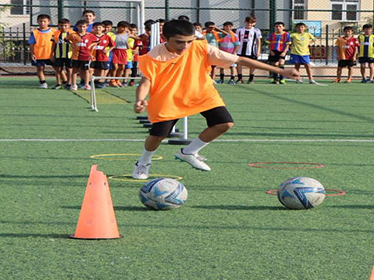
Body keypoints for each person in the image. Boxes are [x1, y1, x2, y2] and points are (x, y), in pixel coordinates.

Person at [132, 20, 300, 177]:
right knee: (158, 135)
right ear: (165, 38)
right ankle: (143, 163)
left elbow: (240, 59)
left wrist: (280, 71)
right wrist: (140, 99)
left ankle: (189, 152)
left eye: (189, 41)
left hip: (202, 94)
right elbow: (146, 81)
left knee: (224, 123)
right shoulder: (154, 56)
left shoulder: (201, 48)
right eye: (179, 42)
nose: (185, 46)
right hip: (169, 99)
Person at [50, 18, 79, 90]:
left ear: (69, 25)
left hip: (69, 54)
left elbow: (76, 44)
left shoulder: (73, 33)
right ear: (58, 26)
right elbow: (53, 44)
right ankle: (58, 83)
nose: (63, 27)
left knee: (69, 69)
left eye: (65, 25)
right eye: (61, 25)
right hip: (58, 54)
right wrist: (51, 53)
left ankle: (69, 83)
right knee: (58, 69)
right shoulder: (56, 33)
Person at [28, 14, 55, 89]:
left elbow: (56, 43)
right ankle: (43, 83)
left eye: (44, 21)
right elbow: (31, 44)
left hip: (50, 54)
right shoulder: (34, 32)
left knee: (58, 68)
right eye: (40, 21)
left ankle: (65, 82)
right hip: (39, 54)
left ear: (48, 22)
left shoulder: (54, 31)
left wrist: (54, 53)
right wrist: (32, 53)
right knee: (40, 68)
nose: (42, 23)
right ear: (37, 22)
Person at [235, 16, 263, 83]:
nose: (249, 24)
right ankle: (240, 78)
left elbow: (258, 41)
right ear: (245, 22)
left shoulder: (256, 30)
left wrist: (258, 51)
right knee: (239, 63)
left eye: (251, 22)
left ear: (254, 23)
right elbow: (236, 40)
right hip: (240, 50)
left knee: (252, 64)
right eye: (248, 22)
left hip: (251, 51)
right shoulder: (239, 30)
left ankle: (251, 78)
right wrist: (235, 50)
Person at [109, 21, 135, 88]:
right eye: (122, 27)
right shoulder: (114, 34)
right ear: (118, 27)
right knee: (115, 67)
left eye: (125, 28)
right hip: (115, 51)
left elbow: (138, 38)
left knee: (122, 67)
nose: (124, 29)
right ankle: (112, 80)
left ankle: (117, 80)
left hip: (123, 51)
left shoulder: (127, 35)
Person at [91, 22, 113, 89]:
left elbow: (113, 45)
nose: (98, 29)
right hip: (93, 56)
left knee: (102, 69)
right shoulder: (90, 36)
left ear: (103, 28)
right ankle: (95, 81)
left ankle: (101, 82)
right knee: (94, 69)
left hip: (102, 56)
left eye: (100, 27)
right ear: (93, 28)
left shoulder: (107, 37)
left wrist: (108, 50)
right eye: (96, 27)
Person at [74, 20, 94, 90]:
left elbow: (96, 41)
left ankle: (87, 84)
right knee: (75, 70)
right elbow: (67, 40)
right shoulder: (73, 35)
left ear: (87, 27)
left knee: (86, 70)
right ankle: (74, 84)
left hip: (86, 56)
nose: (82, 28)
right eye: (80, 26)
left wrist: (90, 47)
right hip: (76, 56)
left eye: (83, 26)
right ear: (77, 27)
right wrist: (72, 45)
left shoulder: (90, 35)